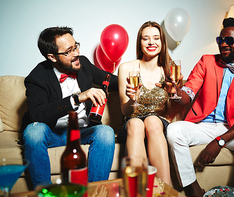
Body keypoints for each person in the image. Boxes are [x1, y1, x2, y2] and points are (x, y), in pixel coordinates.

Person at [162, 17, 234, 196]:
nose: (223, 44)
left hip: (233, 130)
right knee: (174, 130)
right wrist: (176, 92)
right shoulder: (206, 61)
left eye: (229, 40)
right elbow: (187, 95)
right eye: (220, 40)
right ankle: (193, 189)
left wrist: (220, 141)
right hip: (202, 126)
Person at [21, 26, 118, 188]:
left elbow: (110, 80)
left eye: (76, 46)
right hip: (53, 133)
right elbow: (37, 114)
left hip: (82, 132)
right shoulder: (37, 77)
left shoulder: (84, 64)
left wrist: (132, 83)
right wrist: (76, 98)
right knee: (34, 131)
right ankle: (45, 192)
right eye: (68, 51)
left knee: (106, 132)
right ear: (52, 57)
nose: (76, 53)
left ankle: (94, 192)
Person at [117, 21, 172, 184]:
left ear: (162, 42)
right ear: (139, 43)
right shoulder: (126, 68)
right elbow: (125, 112)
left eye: (156, 38)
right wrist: (133, 100)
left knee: (152, 120)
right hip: (132, 123)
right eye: (145, 38)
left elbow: (176, 107)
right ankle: (137, 191)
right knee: (135, 123)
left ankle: (165, 193)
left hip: (158, 125)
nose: (151, 42)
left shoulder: (169, 70)